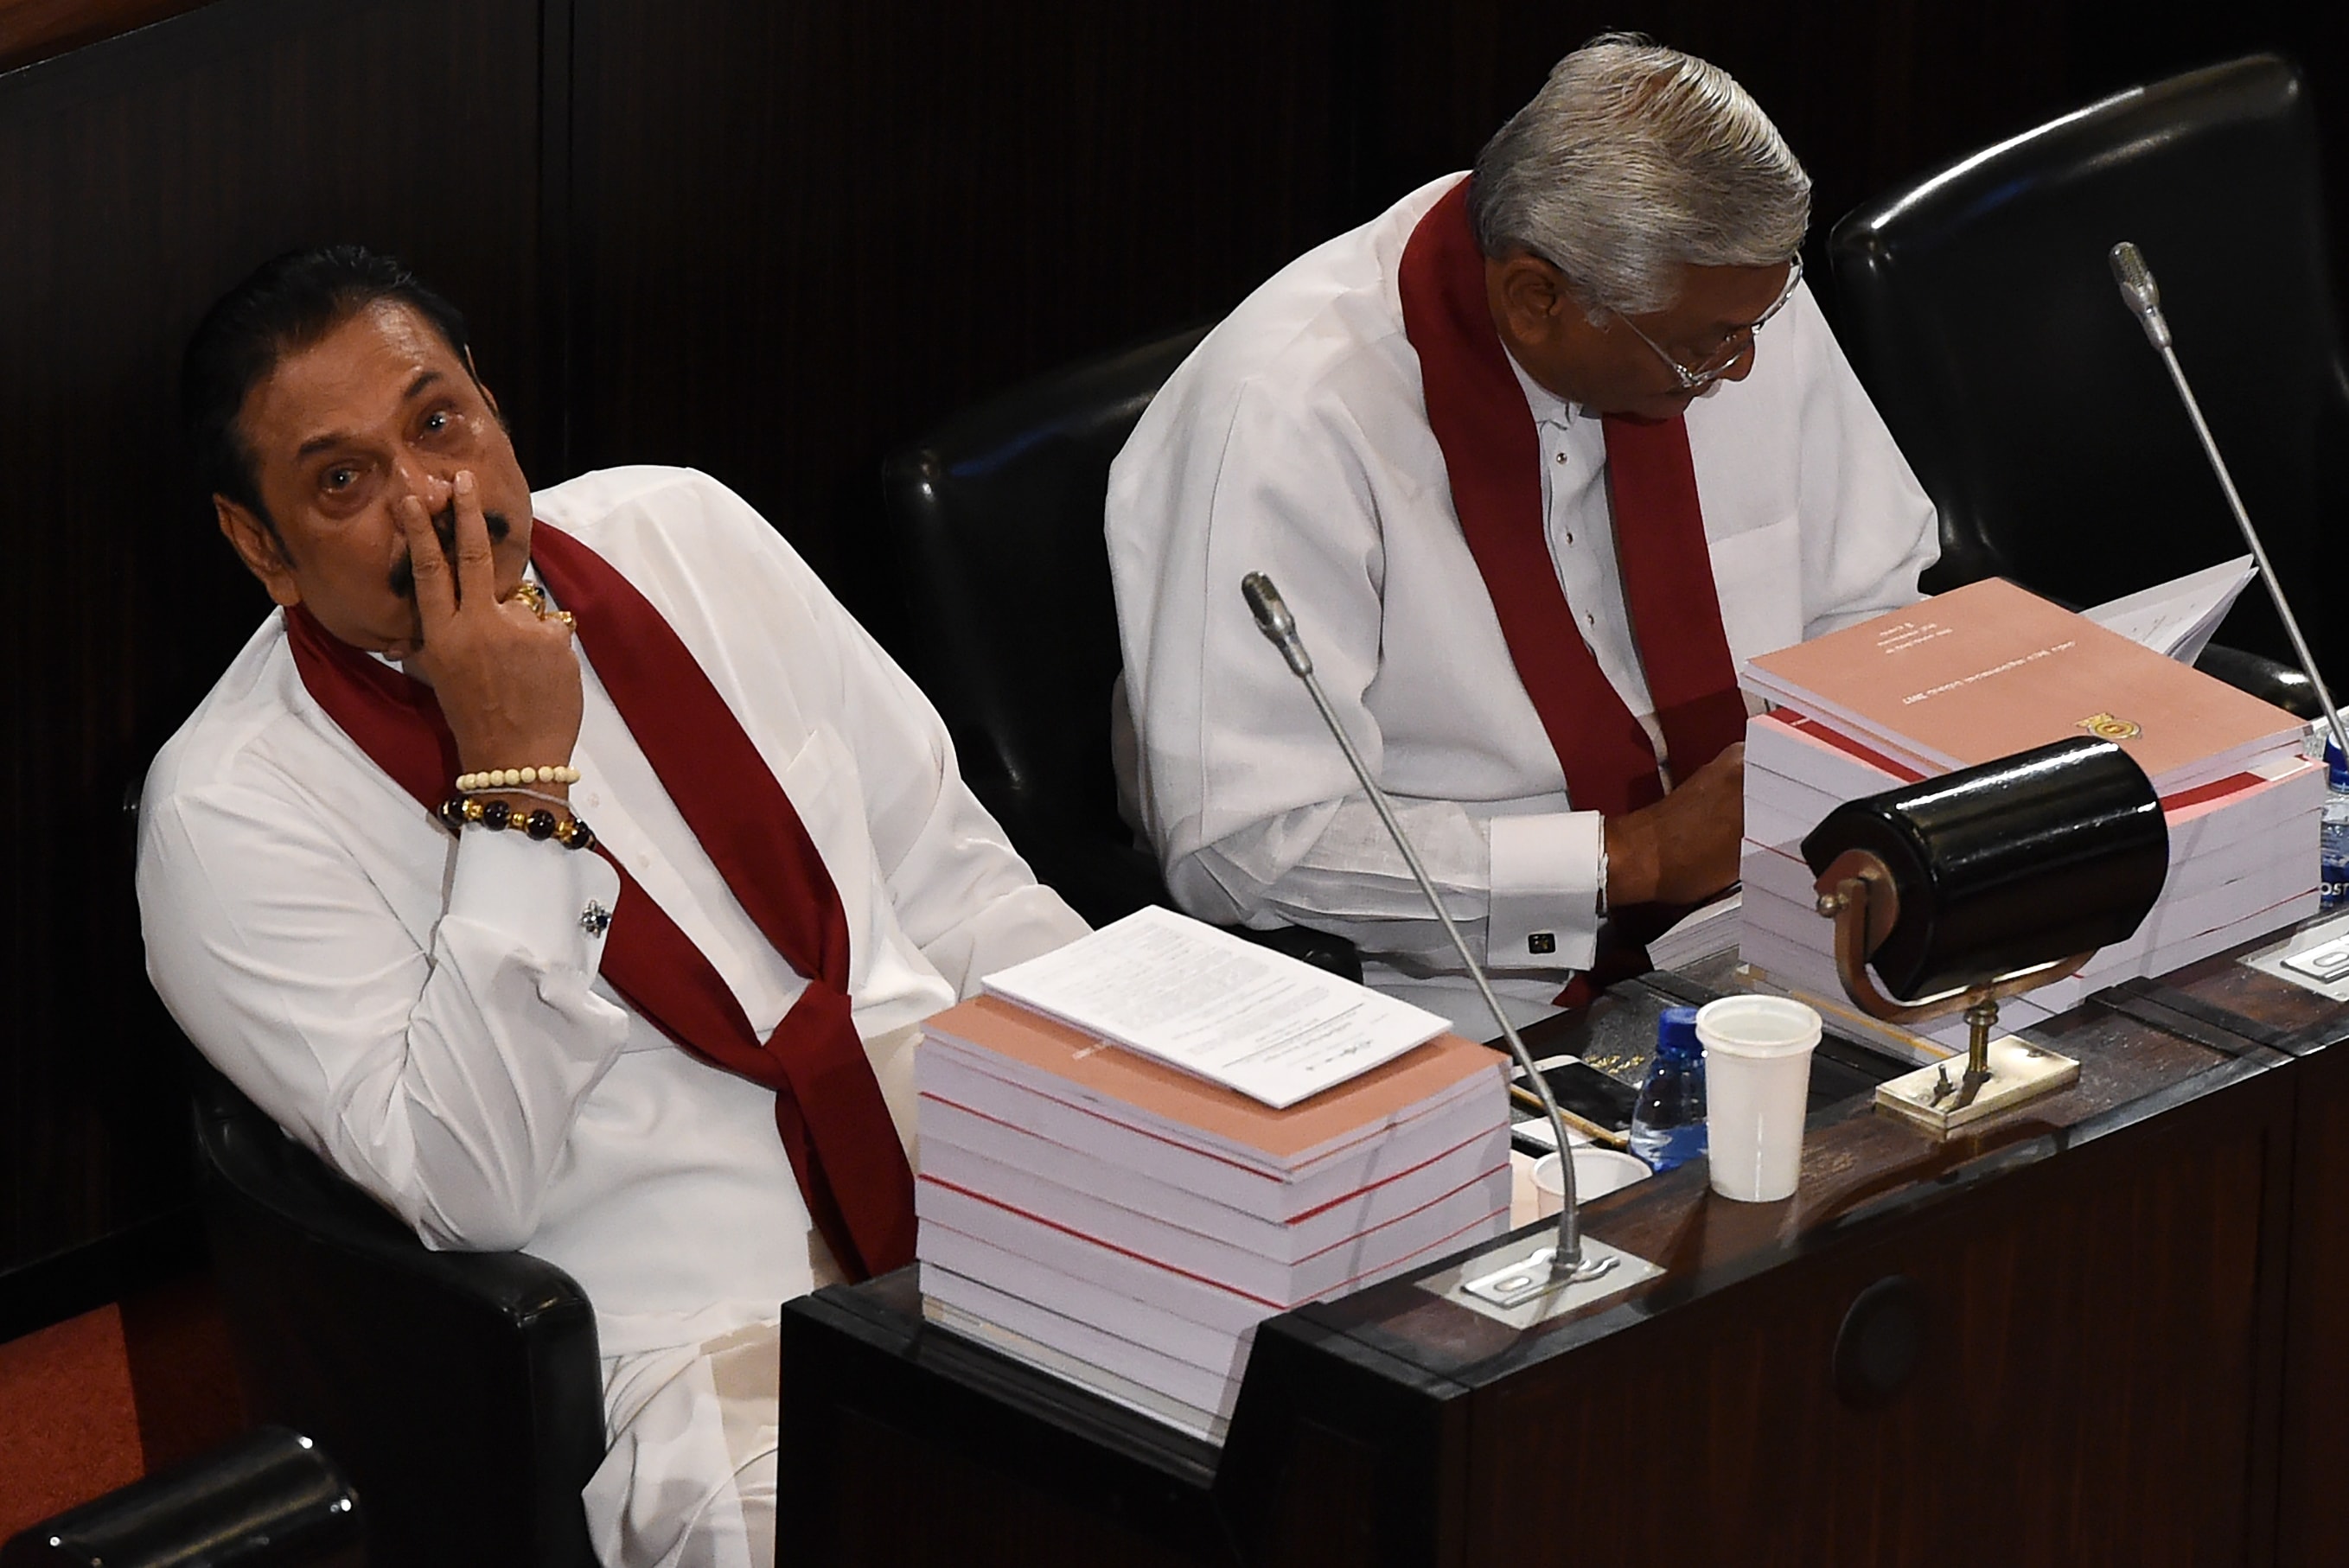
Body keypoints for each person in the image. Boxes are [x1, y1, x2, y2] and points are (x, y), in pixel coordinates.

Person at [137, 245, 1088, 1568]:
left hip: (995, 1196)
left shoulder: (683, 531)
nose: (428, 498)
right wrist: (516, 792)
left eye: (438, 422)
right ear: (263, 546)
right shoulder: (231, 813)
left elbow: (954, 877)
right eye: (344, 480)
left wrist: (1141, 1113)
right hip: (702, 1352)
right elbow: (467, 1190)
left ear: (493, 402)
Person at [1107, 35, 1938, 1036]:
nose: (1746, 365)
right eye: (1702, 348)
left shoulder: (1716, 297)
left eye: (1760, 319)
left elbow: (1873, 604)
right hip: (1474, 994)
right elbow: (1244, 848)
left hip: (1796, 912)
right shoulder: (1285, 418)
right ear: (1535, 299)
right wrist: (1625, 860)